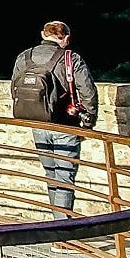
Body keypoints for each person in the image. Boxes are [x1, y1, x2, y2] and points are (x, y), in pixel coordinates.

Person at [10, 20, 98, 217]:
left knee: (51, 174)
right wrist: (88, 122)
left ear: (43, 34)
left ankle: (56, 224)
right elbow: (88, 92)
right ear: (66, 38)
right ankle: (62, 232)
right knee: (64, 176)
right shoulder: (71, 58)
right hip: (65, 124)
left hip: (36, 122)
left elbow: (14, 89)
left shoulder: (24, 57)